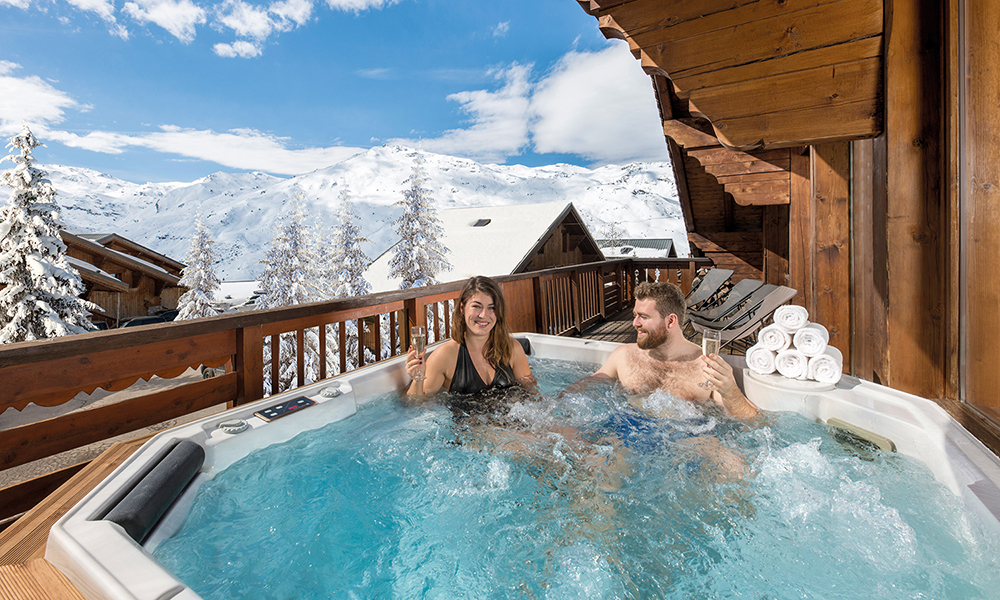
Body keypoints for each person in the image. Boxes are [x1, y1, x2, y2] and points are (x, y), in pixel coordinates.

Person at [576, 281, 758, 419]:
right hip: (627, 436)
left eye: (644, 317)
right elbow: (585, 387)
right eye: (635, 315)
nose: (635, 323)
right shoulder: (624, 355)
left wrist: (730, 390)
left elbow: (752, 421)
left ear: (670, 321)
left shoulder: (705, 368)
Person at [405, 275, 534, 398]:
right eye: (477, 306)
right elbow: (417, 406)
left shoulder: (512, 349)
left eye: (492, 308)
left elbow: (531, 392)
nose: (483, 315)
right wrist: (418, 378)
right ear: (462, 307)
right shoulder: (445, 356)